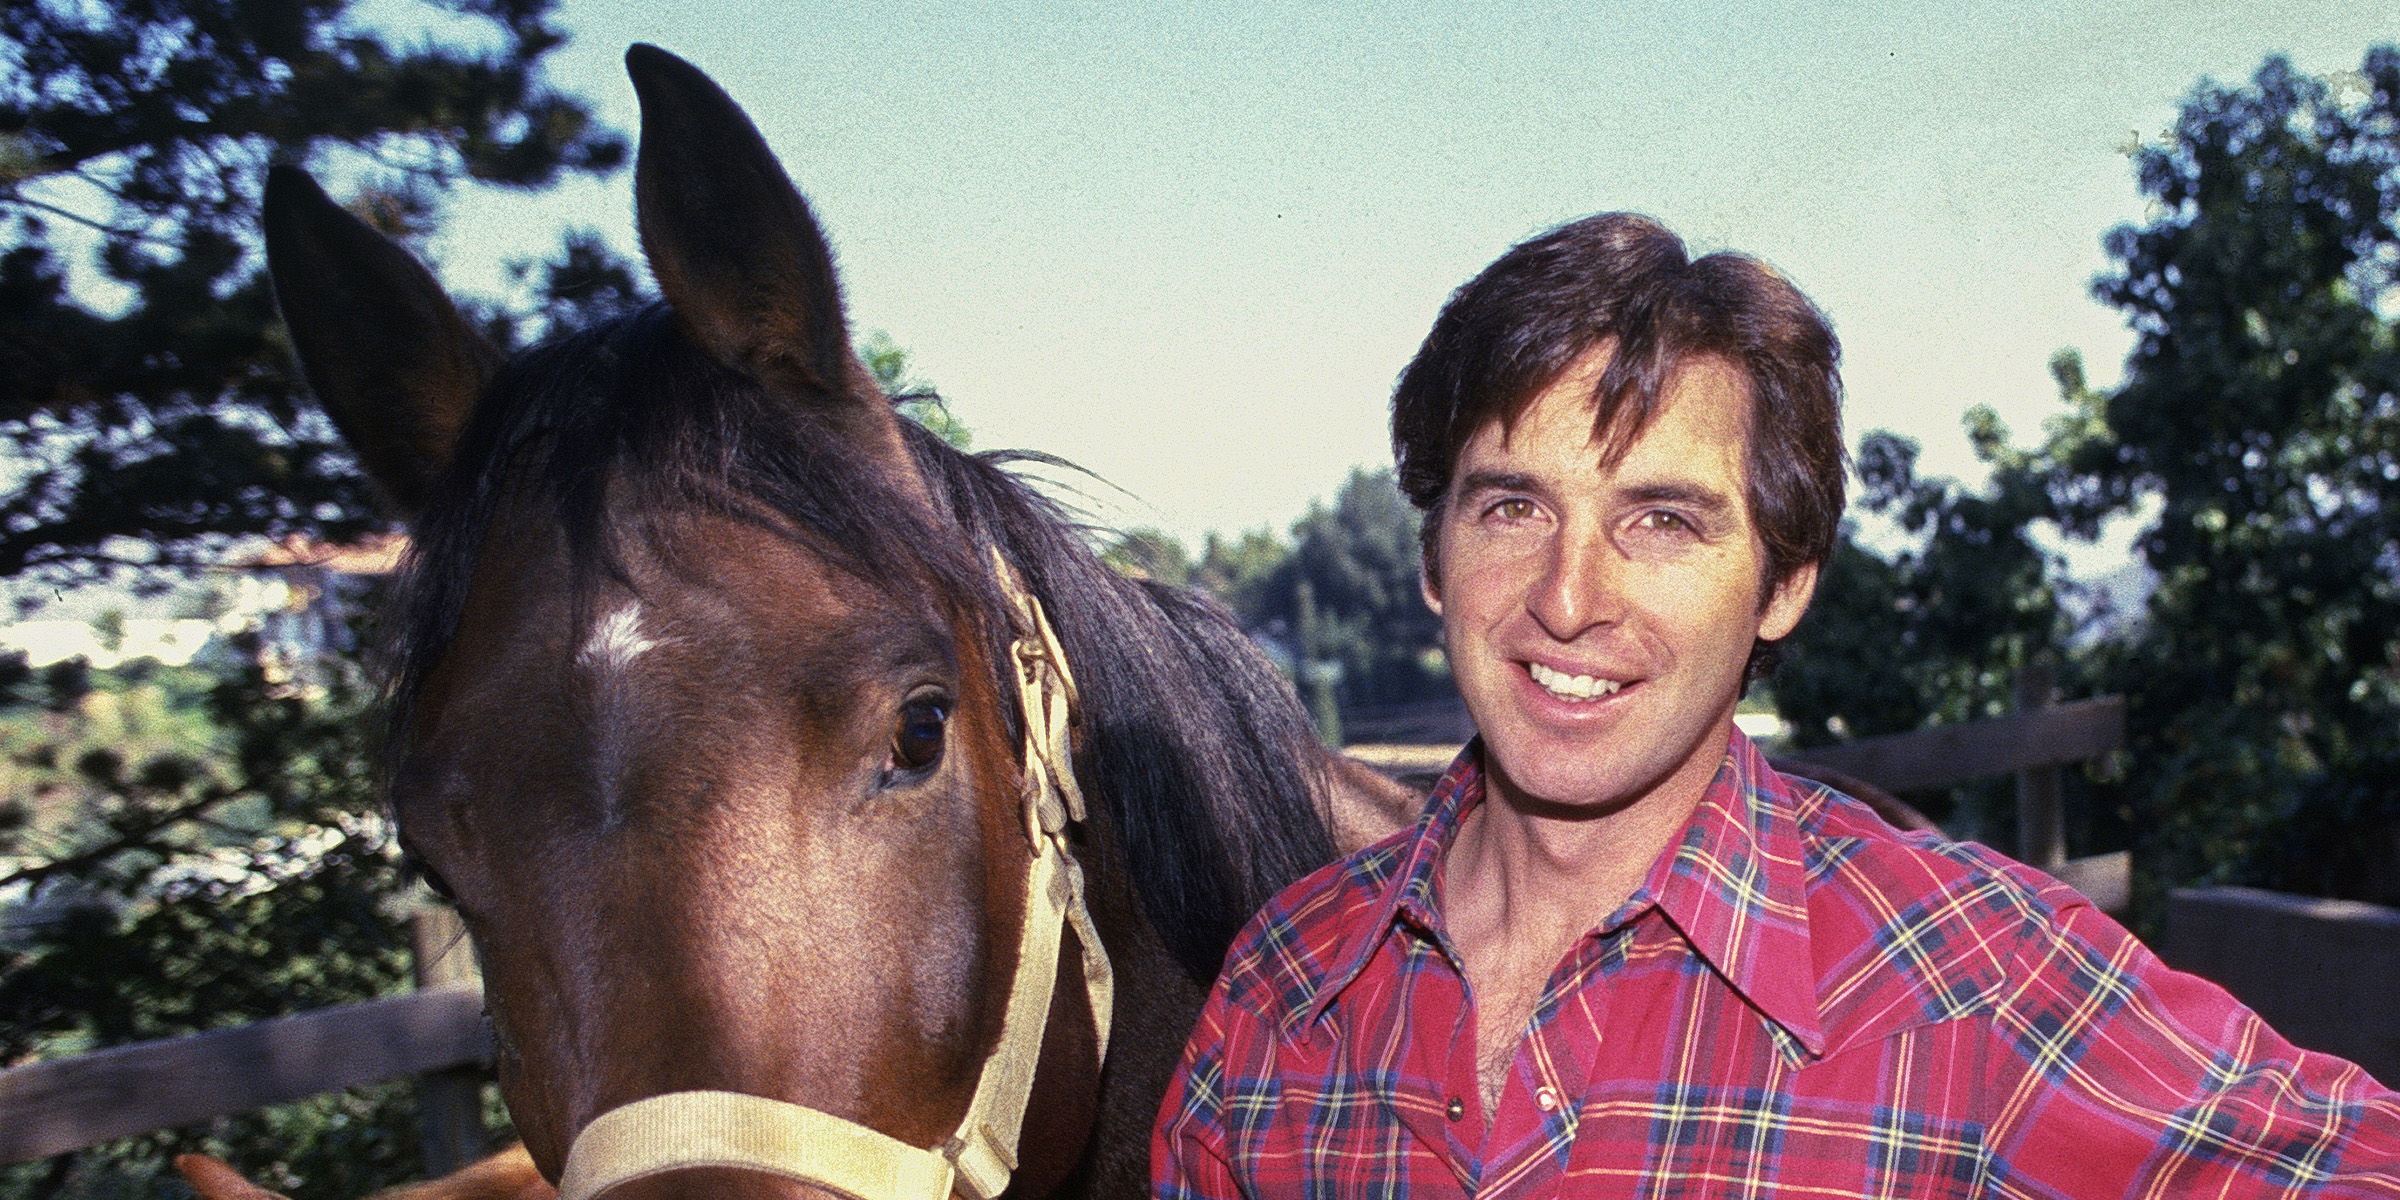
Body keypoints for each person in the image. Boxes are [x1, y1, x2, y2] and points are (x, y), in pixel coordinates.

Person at [1152, 213, 2400, 1197]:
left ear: (1784, 585)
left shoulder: (1971, 983)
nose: (1569, 598)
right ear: (1434, 560)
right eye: (1512, 507)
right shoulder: (1280, 996)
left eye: (1663, 519)